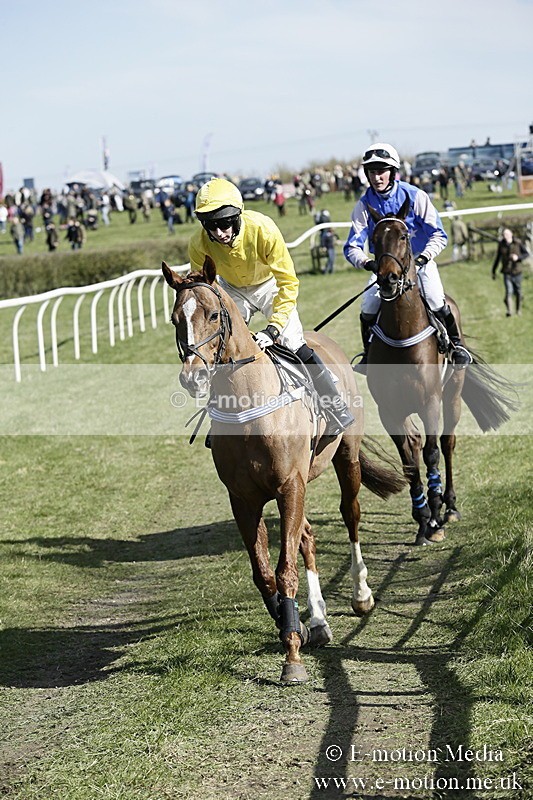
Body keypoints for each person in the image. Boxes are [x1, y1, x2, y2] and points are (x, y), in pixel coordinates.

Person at [188, 178, 355, 437]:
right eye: (211, 226)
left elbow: (288, 281)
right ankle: (218, 415)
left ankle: (334, 406)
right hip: (231, 289)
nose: (219, 232)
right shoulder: (198, 244)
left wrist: (274, 329)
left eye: (224, 223)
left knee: (293, 342)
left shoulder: (263, 229)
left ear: (237, 216)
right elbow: (203, 290)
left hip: (269, 285)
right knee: (220, 346)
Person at [343, 142, 472, 370]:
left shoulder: (415, 196)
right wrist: (368, 263)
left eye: (381, 171)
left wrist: (423, 258)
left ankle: (456, 346)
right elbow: (352, 246)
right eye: (372, 172)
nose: (377, 177)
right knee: (368, 306)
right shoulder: (363, 205)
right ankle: (368, 355)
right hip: (384, 268)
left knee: (434, 298)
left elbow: (439, 235)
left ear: (393, 172)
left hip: (420, 262)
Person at [491, 228, 527, 316]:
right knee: (509, 291)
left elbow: (526, 254)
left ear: (511, 234)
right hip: (507, 271)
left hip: (517, 271)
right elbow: (498, 258)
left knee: (518, 292)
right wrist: (493, 270)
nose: (505, 236)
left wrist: (518, 258)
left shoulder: (517, 243)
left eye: (507, 234)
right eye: (504, 235)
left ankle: (518, 310)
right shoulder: (501, 244)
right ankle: (509, 311)